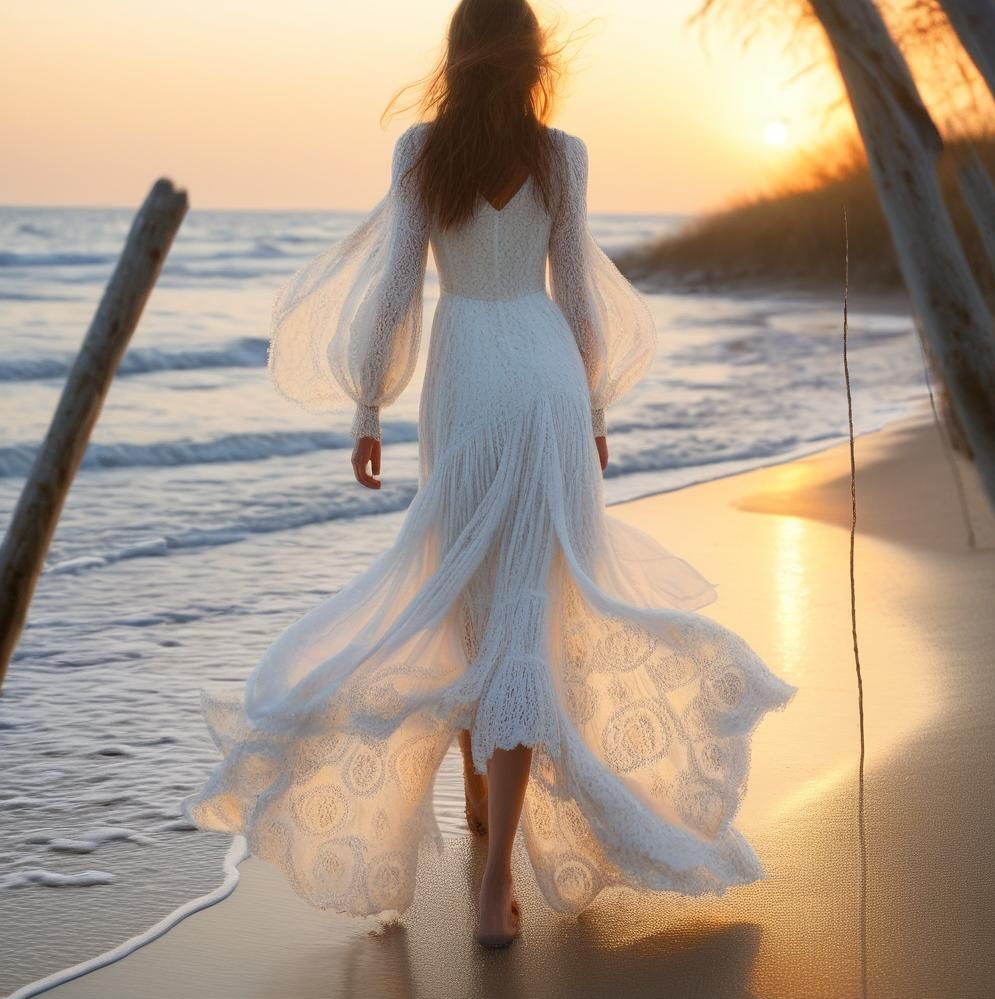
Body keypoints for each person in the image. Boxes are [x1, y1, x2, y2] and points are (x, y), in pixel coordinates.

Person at [183, 0, 797, 950]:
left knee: (473, 597)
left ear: (458, 57)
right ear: (532, 60)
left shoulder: (423, 152)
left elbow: (395, 290)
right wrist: (592, 410)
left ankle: (493, 863)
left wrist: (366, 409)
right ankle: (486, 828)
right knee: (525, 606)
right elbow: (578, 295)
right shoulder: (563, 155)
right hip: (546, 376)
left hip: (466, 376)